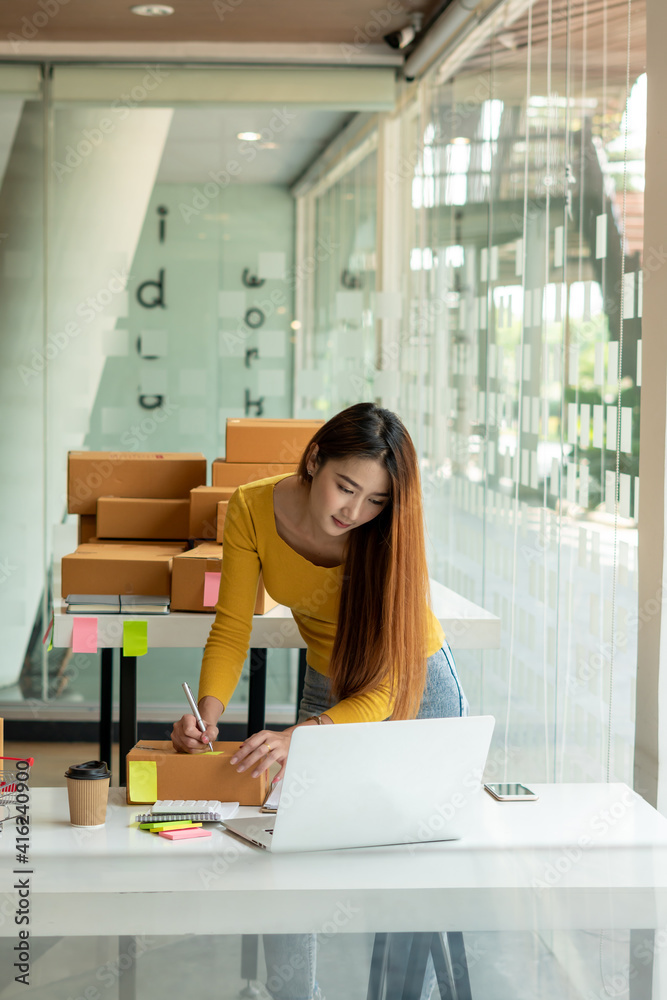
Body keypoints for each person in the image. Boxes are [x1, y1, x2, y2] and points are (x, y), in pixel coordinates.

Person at [172, 402, 469, 1000]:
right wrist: (208, 709)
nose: (354, 513)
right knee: (290, 850)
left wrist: (302, 735)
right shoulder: (254, 508)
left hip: (412, 689)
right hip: (328, 684)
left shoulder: (386, 539)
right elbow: (232, 627)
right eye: (345, 486)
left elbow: (388, 687)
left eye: (376, 501)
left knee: (413, 871)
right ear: (315, 460)